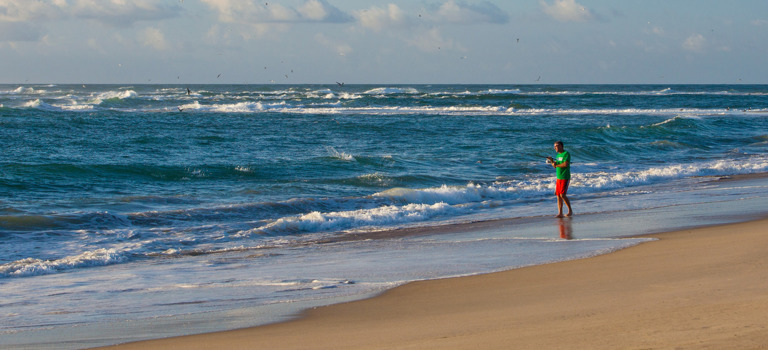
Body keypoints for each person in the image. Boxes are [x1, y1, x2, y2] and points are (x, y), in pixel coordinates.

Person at [546, 141, 573, 217]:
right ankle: (560, 213)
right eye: (554, 146)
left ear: (561, 146)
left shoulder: (566, 153)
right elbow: (555, 165)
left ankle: (570, 211)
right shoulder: (558, 155)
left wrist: (556, 165)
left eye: (557, 146)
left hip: (565, 177)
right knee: (558, 195)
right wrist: (551, 161)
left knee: (562, 195)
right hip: (559, 177)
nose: (555, 147)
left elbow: (565, 164)